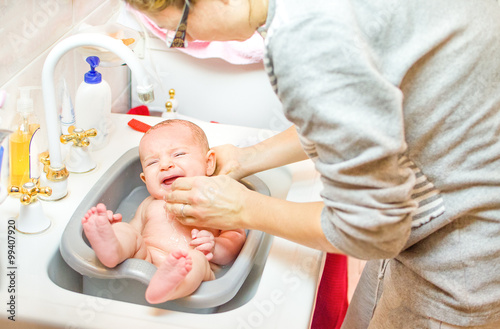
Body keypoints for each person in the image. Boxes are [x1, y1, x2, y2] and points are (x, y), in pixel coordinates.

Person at [124, 0, 500, 327]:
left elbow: (371, 229)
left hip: (461, 252)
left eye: (179, 30)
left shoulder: (308, 37)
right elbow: (360, 110)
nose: (188, 43)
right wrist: (247, 157)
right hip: (431, 204)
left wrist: (242, 208)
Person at [81, 119, 246, 304]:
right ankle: (111, 249)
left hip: (193, 266)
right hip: (146, 260)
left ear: (208, 163)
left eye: (178, 154)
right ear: (145, 179)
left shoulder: (219, 201)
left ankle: (173, 284)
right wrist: (115, 231)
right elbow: (134, 231)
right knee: (127, 233)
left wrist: (215, 246)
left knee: (196, 260)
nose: (165, 165)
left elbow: (236, 239)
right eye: (153, 162)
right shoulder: (149, 203)